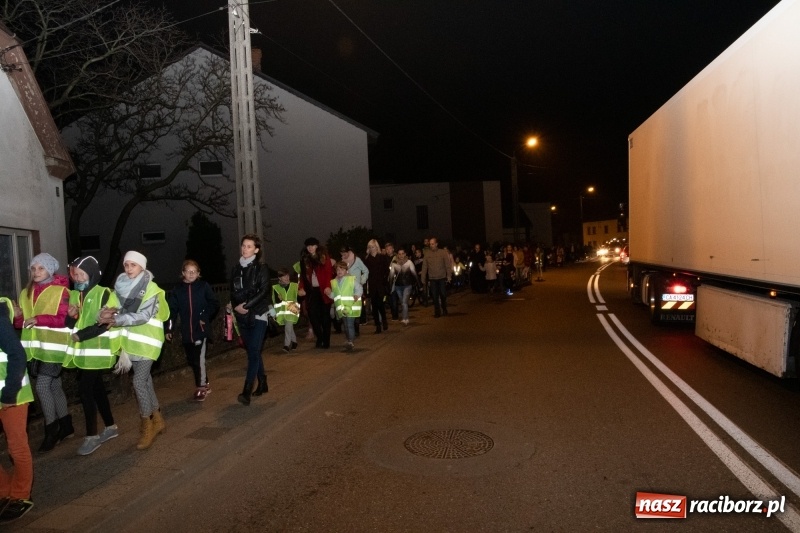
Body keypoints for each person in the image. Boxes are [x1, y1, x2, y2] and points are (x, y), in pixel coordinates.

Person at [97, 251, 169, 450]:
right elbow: (108, 307)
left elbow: (144, 316)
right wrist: (102, 314)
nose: (129, 269)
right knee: (145, 381)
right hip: (132, 343)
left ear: (142, 267)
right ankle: (158, 419)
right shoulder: (119, 288)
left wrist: (117, 319)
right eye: (126, 265)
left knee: (138, 382)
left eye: (133, 265)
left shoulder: (151, 288)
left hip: (149, 342)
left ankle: (146, 424)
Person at [13, 253, 73, 452]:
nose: (36, 272)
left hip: (54, 349)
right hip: (35, 350)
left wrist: (39, 319)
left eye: (41, 268)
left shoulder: (61, 291)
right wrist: (18, 317)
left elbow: (64, 319)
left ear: (50, 269)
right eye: (33, 268)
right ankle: (66, 426)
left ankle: (52, 430)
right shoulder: (25, 293)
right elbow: (22, 323)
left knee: (42, 387)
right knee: (54, 386)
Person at [64, 256, 120, 456]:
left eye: (82, 274)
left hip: (97, 351)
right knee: (97, 390)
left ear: (92, 274)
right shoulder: (75, 294)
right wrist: (71, 317)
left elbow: (105, 324)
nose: (78, 278)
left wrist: (81, 335)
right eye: (75, 275)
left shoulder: (104, 293)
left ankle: (92, 436)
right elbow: (69, 324)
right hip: (83, 353)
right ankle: (111, 427)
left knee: (85, 390)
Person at [0, 297, 35, 522]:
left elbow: (17, 355)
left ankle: (21, 496)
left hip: (12, 396)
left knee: (16, 447)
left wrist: (9, 393)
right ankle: (4, 492)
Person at [166, 260, 220, 402]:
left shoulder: (203, 286)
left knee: (198, 359)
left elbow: (214, 303)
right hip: (186, 331)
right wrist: (169, 329)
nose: (191, 274)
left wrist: (204, 316)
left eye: (194, 271)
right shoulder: (177, 290)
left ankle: (201, 388)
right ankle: (205, 383)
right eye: (188, 271)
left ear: (198, 273)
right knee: (192, 360)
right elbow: (171, 311)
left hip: (200, 329)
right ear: (183, 273)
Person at [228, 234, 271, 405]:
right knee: (253, 351)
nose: (245, 249)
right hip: (242, 316)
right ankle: (263, 381)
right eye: (243, 246)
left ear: (256, 250)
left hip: (258, 314)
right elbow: (232, 292)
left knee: (253, 351)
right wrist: (234, 306)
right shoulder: (235, 269)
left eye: (249, 246)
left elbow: (264, 291)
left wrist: (246, 305)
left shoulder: (261, 268)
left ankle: (246, 391)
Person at [298, 237, 335, 349]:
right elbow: (303, 276)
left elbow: (328, 273)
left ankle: (326, 340)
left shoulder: (324, 258)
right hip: (312, 291)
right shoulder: (304, 260)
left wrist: (328, 286)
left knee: (325, 317)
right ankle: (320, 337)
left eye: (313, 245)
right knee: (312, 315)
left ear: (317, 246)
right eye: (308, 246)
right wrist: (301, 288)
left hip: (323, 290)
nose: (310, 248)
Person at [330, 261, 363, 352]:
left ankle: (350, 341)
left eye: (342, 269)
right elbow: (335, 295)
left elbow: (359, 288)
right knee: (346, 325)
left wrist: (357, 295)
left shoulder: (351, 280)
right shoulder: (335, 282)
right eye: (337, 270)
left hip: (351, 307)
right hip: (342, 308)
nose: (339, 271)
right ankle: (349, 340)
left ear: (346, 270)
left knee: (349, 324)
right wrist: (329, 294)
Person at [363, 239, 390, 334]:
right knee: (374, 306)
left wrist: (385, 280)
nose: (371, 249)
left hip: (381, 284)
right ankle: (377, 325)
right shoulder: (367, 259)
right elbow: (365, 272)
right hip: (372, 285)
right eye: (370, 247)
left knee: (381, 304)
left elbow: (387, 270)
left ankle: (384, 320)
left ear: (376, 247)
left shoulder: (382, 257)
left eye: (373, 247)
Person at [340, 245, 368, 337]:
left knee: (356, 308)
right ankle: (351, 330)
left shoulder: (357, 260)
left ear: (349, 252)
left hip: (356, 288)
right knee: (348, 309)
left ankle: (356, 329)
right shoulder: (342, 262)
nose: (343, 255)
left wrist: (362, 281)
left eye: (345, 253)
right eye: (342, 254)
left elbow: (366, 271)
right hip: (346, 290)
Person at [271, 267, 300, 353]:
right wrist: (279, 299)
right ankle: (294, 342)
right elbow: (274, 300)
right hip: (283, 311)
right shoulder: (275, 287)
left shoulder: (295, 285)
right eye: (284, 276)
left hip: (293, 308)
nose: (287, 277)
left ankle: (286, 345)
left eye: (287, 275)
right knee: (289, 327)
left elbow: (299, 297)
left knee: (288, 327)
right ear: (279, 278)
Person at [421, 237, 451, 317]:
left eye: (433, 244)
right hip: (432, 278)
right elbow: (424, 267)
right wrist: (423, 278)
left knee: (443, 294)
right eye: (430, 244)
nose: (431, 245)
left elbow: (447, 265)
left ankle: (444, 308)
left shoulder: (443, 252)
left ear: (436, 244)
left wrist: (449, 275)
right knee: (434, 296)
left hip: (441, 277)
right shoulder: (427, 254)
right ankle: (437, 312)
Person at [389, 247, 418, 325]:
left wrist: (418, 284)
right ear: (397, 255)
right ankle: (405, 317)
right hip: (398, 286)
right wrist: (390, 286)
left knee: (404, 302)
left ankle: (405, 318)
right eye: (399, 254)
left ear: (405, 254)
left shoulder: (409, 262)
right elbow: (391, 276)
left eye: (402, 253)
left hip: (407, 285)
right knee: (402, 302)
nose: (401, 255)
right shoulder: (394, 263)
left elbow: (414, 273)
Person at [383, 242, 399, 321]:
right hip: (387, 280)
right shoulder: (384, 258)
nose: (388, 250)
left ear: (393, 249)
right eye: (387, 249)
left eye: (390, 249)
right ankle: (394, 313)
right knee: (390, 298)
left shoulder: (396, 258)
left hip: (395, 280)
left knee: (394, 297)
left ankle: (395, 315)